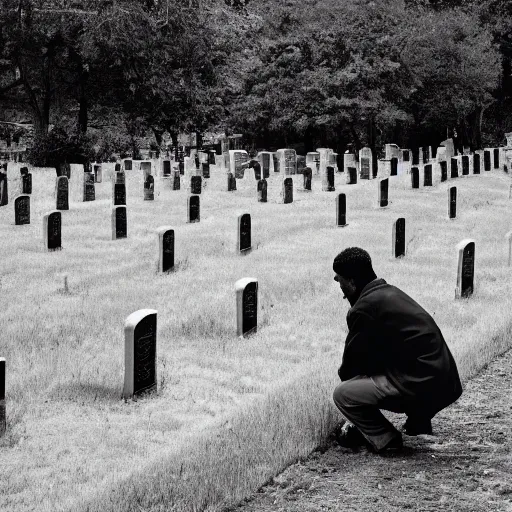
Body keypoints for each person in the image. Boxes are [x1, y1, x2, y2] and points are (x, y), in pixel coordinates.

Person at [332, 247, 462, 453]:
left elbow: (350, 368)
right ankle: (418, 422)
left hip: (423, 383)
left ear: (352, 282)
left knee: (344, 394)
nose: (339, 286)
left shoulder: (364, 308)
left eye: (339, 280)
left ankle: (386, 439)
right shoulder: (391, 293)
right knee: (385, 367)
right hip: (446, 380)